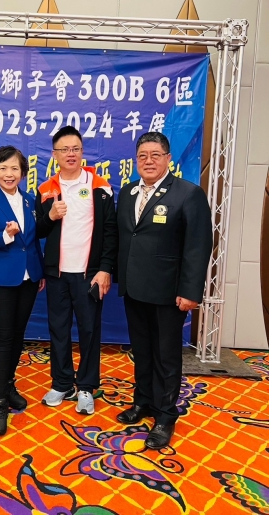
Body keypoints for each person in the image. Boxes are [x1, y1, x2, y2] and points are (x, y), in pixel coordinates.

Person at [116, 131, 212, 449]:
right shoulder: (128, 193)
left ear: (168, 159)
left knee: (166, 356)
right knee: (142, 351)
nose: (149, 161)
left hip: (169, 292)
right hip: (134, 288)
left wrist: (191, 291)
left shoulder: (188, 193)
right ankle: (143, 402)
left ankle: (166, 415)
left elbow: (198, 246)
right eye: (142, 156)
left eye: (155, 155)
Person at [36, 126, 117, 415]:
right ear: (54, 154)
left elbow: (110, 231)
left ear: (82, 152)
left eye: (76, 149)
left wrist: (105, 269)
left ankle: (85, 387)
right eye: (64, 150)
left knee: (89, 330)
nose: (70, 154)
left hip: (89, 274)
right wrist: (50, 216)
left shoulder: (100, 186)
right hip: (57, 274)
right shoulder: (46, 190)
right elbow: (38, 230)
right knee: (58, 329)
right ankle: (61, 383)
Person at [0, 146, 45, 436]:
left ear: (23, 172)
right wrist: (4, 235)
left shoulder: (30, 199)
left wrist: (38, 270)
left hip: (29, 277)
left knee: (17, 335)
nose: (9, 174)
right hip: (2, 279)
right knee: (3, 338)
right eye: (3, 168)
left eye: (14, 168)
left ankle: (9, 384)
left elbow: (34, 240)